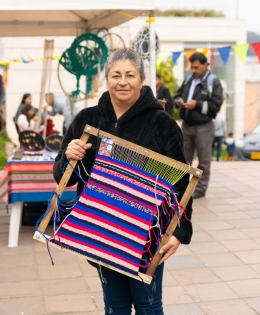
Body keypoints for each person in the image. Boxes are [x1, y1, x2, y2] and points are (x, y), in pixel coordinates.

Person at [53, 48, 192, 315]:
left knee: (148, 307)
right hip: (101, 229)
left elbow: (182, 183)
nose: (123, 81)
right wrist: (69, 158)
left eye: (130, 74)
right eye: (116, 75)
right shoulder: (87, 119)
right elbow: (62, 176)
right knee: (115, 307)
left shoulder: (162, 123)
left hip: (147, 234)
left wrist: (178, 231)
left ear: (141, 78)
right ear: (107, 79)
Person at [174, 52, 223, 199]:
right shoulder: (188, 79)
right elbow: (178, 94)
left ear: (205, 65)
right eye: (192, 67)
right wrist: (178, 101)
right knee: (183, 159)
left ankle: (200, 189)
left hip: (204, 127)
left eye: (196, 67)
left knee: (204, 161)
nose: (193, 70)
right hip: (187, 125)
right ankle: (182, 188)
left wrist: (197, 104)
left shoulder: (213, 82)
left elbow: (216, 105)